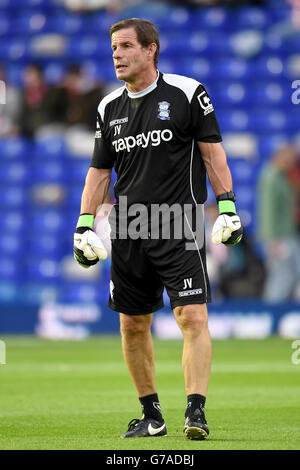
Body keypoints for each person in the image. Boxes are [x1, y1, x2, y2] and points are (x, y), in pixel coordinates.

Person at [73, 18, 242, 440]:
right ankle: (152, 416)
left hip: (178, 223)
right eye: (113, 47)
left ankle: (195, 412)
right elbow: (99, 173)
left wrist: (227, 208)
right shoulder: (107, 108)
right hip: (128, 227)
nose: (116, 54)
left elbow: (212, 155)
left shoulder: (187, 93)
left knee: (191, 315)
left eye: (126, 46)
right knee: (132, 324)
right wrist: (84, 224)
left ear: (151, 50)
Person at [257, 145, 300, 302]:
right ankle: (272, 310)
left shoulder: (282, 176)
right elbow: (268, 211)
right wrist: (272, 240)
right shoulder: (271, 177)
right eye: (290, 160)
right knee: (281, 275)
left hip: (287, 233)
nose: (292, 164)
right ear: (282, 157)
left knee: (290, 274)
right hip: (278, 236)